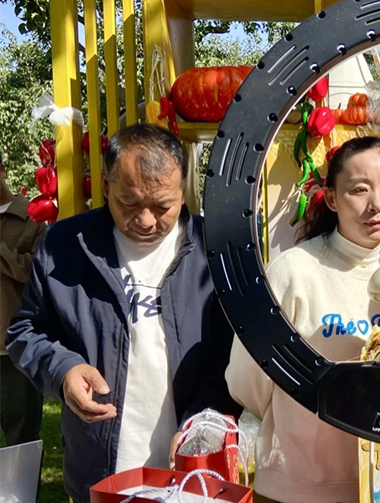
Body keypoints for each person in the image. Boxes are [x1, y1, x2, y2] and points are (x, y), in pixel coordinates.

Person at [6, 124, 241, 503]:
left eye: (162, 206)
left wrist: (204, 420)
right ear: (106, 185)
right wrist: (63, 371)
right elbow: (26, 331)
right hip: (100, 471)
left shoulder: (214, 251)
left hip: (194, 470)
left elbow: (234, 352)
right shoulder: (65, 247)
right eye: (129, 203)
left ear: (182, 189)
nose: (146, 220)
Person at [225, 136, 380, 503]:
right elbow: (246, 379)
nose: (377, 205)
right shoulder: (293, 271)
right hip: (299, 488)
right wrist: (298, 424)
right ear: (333, 197)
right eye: (360, 189)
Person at [0, 152, 45, 446]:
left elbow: (40, 274)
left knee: (21, 445)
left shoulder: (34, 217)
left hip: (13, 352)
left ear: (2, 170)